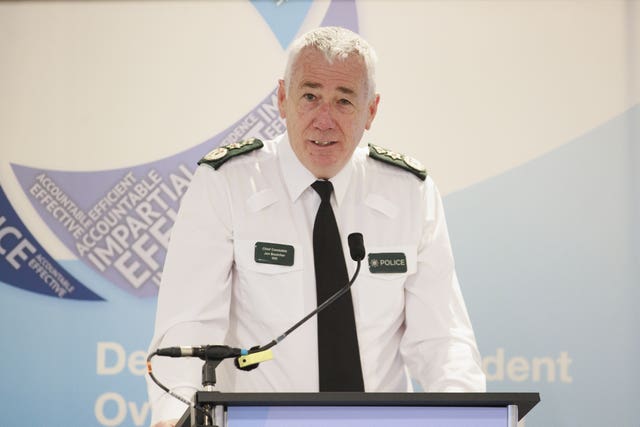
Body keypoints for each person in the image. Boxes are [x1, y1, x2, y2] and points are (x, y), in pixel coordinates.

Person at [147, 26, 486, 427]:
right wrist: (175, 416)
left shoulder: (409, 192)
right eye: (309, 97)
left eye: (344, 101)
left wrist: (470, 415)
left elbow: (442, 339)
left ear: (371, 111)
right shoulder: (228, 183)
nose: (324, 121)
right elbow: (189, 326)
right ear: (282, 98)